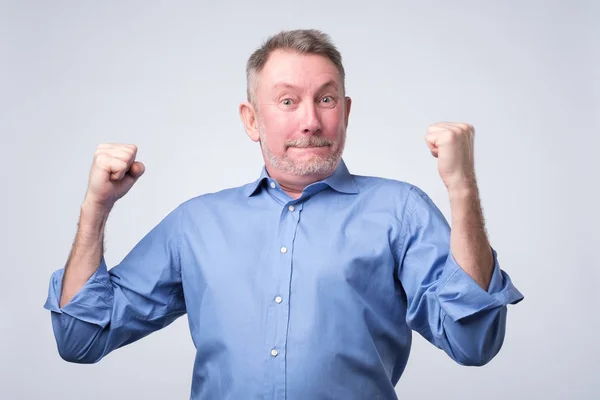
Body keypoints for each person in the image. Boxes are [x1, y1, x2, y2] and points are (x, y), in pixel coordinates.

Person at [44, 29, 523, 399]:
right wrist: (96, 209)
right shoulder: (195, 225)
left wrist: (462, 188)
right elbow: (82, 339)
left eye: (327, 99)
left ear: (346, 111)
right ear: (252, 120)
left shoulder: (399, 211)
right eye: (288, 101)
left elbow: (473, 343)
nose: (311, 120)